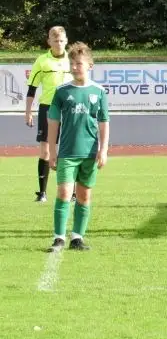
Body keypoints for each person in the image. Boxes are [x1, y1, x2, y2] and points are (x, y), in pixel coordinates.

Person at [46, 43, 109, 252]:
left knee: (84, 196)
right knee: (64, 193)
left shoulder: (98, 91)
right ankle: (58, 238)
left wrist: (103, 149)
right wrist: (51, 151)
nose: (74, 67)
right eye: (72, 63)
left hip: (89, 153)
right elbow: (53, 122)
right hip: (67, 153)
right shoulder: (62, 92)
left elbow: (104, 122)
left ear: (89, 65)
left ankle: (77, 238)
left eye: (79, 63)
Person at [25, 26, 72, 203]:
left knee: (70, 149)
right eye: (55, 40)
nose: (58, 44)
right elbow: (32, 89)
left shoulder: (72, 60)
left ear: (66, 41)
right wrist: (28, 112)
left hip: (69, 109)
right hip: (47, 108)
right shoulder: (42, 61)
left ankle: (72, 192)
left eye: (61, 40)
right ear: (49, 42)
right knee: (45, 149)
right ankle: (42, 192)